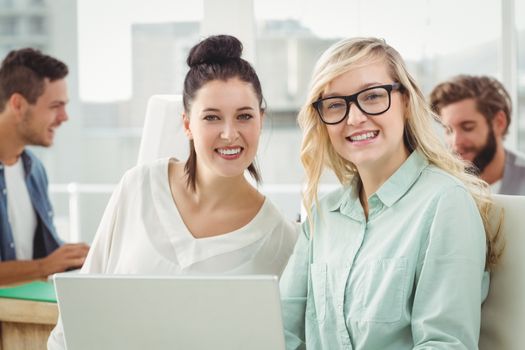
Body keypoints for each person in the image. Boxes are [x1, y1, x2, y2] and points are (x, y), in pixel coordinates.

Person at [48, 35, 298, 348]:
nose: (229, 133)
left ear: (261, 120)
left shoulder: (282, 241)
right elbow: (73, 324)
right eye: (211, 117)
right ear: (187, 124)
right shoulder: (138, 187)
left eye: (244, 116)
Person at [279, 37, 502, 349]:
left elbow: (444, 344)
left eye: (371, 96)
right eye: (335, 105)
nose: (354, 118)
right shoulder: (323, 215)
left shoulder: (445, 204)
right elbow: (280, 332)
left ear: (406, 102)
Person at [0, 48, 89, 286]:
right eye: (55, 106)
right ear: (18, 104)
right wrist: (45, 266)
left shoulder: (34, 169)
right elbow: (43, 264)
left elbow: (43, 251)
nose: (64, 117)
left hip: (21, 316)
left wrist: (80, 257)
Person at [430, 75, 525, 195]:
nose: (456, 142)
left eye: (467, 127)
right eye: (449, 130)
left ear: (499, 123)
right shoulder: (441, 184)